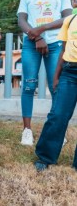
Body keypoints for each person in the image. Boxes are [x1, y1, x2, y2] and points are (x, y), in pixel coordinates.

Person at [17, 0, 72, 146]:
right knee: (29, 86)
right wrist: (37, 38)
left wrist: (41, 30)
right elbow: (22, 21)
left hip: (56, 44)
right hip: (31, 45)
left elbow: (67, 18)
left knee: (56, 86)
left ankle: (56, 131)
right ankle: (27, 131)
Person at [34, 13, 77, 171]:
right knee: (58, 115)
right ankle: (45, 157)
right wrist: (56, 76)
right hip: (70, 72)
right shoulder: (70, 20)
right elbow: (64, 50)